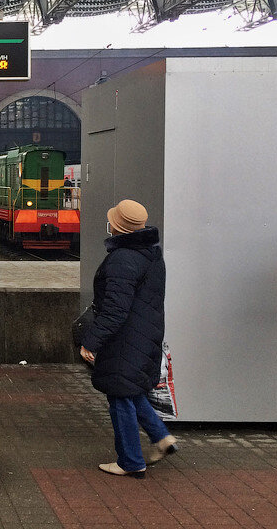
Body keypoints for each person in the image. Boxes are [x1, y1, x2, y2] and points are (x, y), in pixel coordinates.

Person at [79, 199, 177, 478]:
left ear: (118, 226)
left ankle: (131, 461)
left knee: (120, 396)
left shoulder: (122, 259)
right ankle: (161, 437)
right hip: (144, 334)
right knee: (130, 389)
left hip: (124, 338)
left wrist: (91, 341)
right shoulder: (151, 254)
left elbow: (115, 309)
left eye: (113, 220)